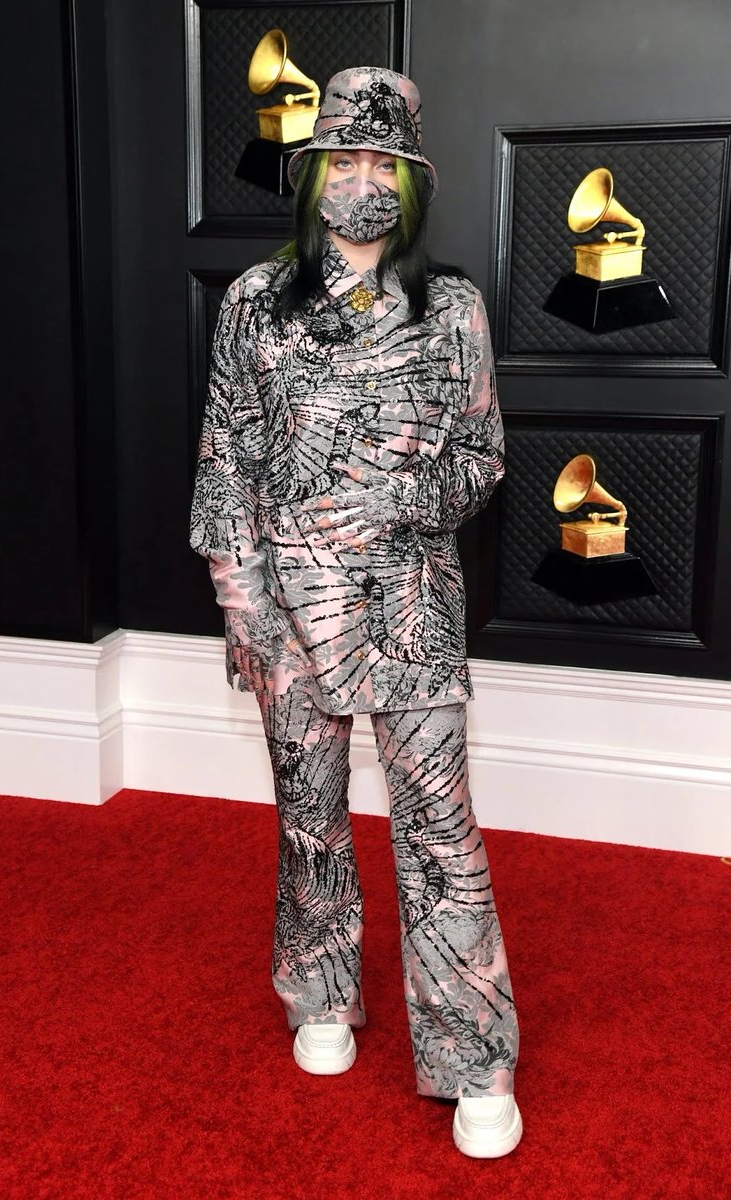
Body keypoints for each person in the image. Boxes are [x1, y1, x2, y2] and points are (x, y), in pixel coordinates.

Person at [189, 66, 522, 1159]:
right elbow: (225, 465)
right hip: (288, 609)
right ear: (312, 174)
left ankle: (473, 1054)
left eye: (384, 163)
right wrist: (242, 607)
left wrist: (399, 496)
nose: (362, 181)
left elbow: (482, 459)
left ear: (411, 182)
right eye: (344, 160)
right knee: (310, 815)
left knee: (439, 828)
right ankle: (321, 992)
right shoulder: (253, 302)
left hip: (414, 605)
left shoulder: (453, 307)